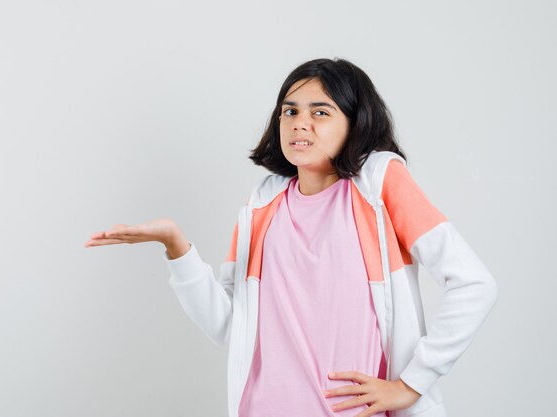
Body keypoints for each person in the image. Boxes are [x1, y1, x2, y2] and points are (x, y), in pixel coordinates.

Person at [84, 58, 498, 417]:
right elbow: (230, 326)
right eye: (290, 111)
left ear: (356, 122)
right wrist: (176, 246)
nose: (300, 122)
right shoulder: (262, 205)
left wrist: (411, 384)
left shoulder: (379, 182)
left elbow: (475, 285)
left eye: (321, 112)